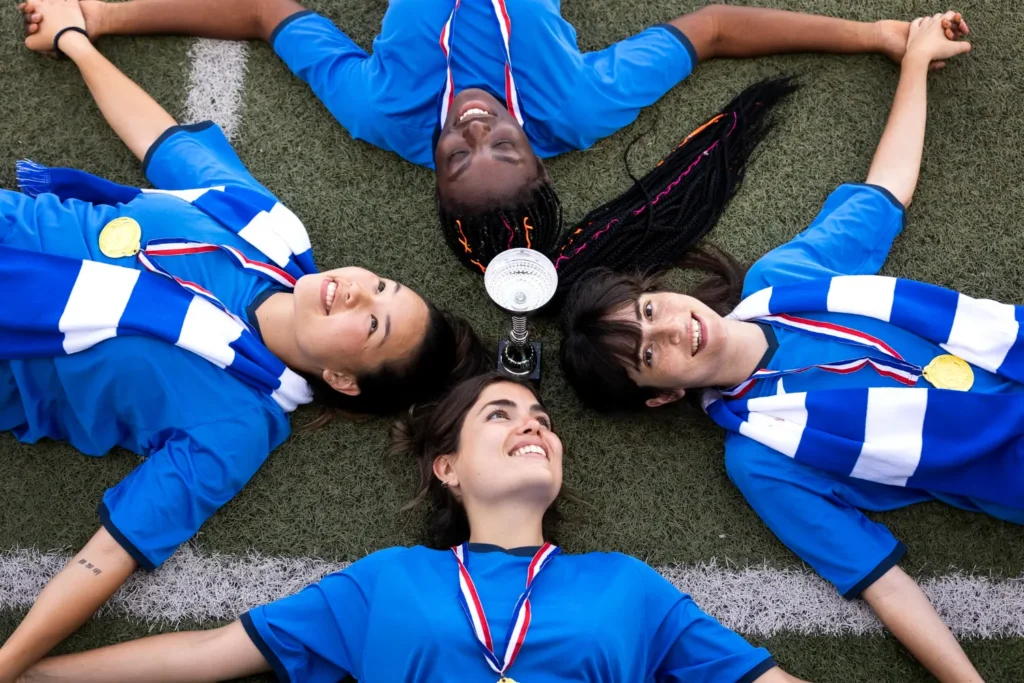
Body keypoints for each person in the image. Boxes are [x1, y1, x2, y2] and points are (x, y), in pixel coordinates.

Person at [0, 0, 487, 678]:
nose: (358, 290)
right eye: (382, 284)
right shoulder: (268, 231)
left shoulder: (238, 426)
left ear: (344, 380)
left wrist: (8, 664)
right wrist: (76, 40)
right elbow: (159, 141)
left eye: (373, 323)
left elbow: (109, 553)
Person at [559, 12, 995, 683]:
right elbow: (882, 581)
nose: (671, 328)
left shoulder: (782, 281)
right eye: (647, 355)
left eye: (648, 310)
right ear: (662, 396)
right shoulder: (759, 458)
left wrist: (913, 60)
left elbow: (884, 192)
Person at [21, 0, 924, 288]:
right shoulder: (580, 105)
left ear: (434, 171)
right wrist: (876, 36)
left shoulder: (382, 111)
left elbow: (264, 13)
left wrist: (98, 14)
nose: (476, 127)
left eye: (457, 155)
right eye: (506, 149)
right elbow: (717, 29)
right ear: (541, 156)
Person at [13, 373, 810, 683]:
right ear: (447, 467)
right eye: (501, 414)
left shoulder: (629, 588)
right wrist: (28, 672)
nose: (534, 425)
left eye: (541, 419)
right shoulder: (386, 579)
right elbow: (209, 654)